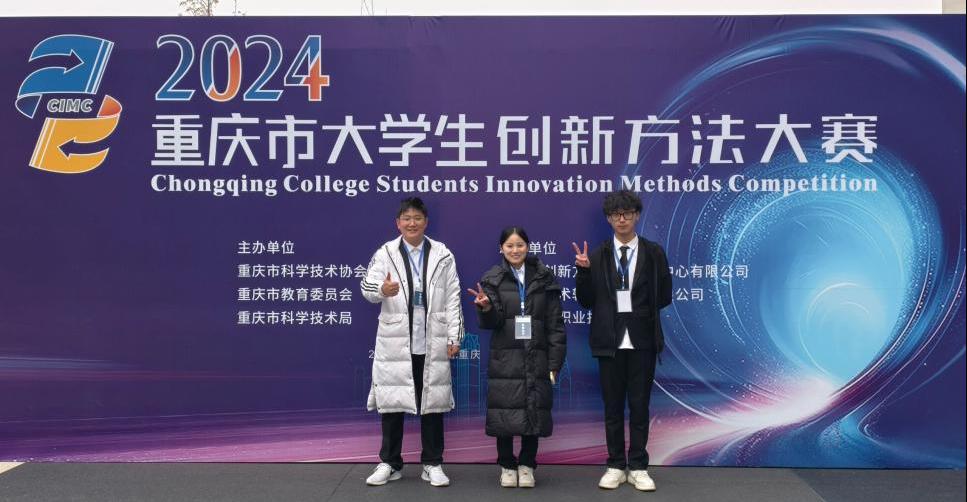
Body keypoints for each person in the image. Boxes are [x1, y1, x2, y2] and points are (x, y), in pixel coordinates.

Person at [359, 197, 464, 487]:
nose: (412, 223)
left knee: (433, 404)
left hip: (432, 340)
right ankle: (390, 463)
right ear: (398, 223)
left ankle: (432, 463)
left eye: (417, 218)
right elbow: (366, 287)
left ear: (426, 222)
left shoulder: (442, 254)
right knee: (392, 405)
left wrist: (454, 336)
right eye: (406, 218)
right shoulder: (386, 253)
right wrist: (383, 289)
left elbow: (453, 297)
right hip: (396, 341)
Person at [572, 190, 672, 492]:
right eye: (616, 214)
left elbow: (664, 295)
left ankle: (638, 466)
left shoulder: (653, 252)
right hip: (609, 341)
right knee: (613, 408)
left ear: (637, 216)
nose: (622, 219)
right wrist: (583, 272)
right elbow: (585, 301)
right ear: (608, 219)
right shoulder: (598, 255)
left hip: (642, 340)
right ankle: (615, 465)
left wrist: (639, 313)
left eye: (627, 213)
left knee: (640, 406)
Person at [467, 226, 566, 489]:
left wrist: (555, 362)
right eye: (509, 246)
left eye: (520, 245)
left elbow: (555, 324)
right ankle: (507, 466)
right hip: (505, 357)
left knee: (533, 411)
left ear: (528, 247)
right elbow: (493, 322)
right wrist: (486, 308)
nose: (515, 250)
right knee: (504, 412)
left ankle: (527, 465)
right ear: (501, 248)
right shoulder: (493, 279)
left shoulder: (544, 278)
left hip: (537, 355)